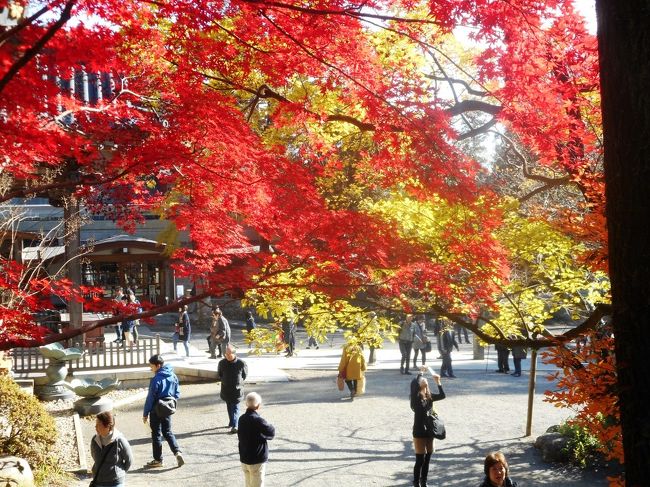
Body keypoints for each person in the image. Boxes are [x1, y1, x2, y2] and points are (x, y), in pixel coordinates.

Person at [142, 354, 184, 468]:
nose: (150, 368)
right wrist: (171, 403)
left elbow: (150, 398)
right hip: (167, 409)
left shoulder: (156, 379)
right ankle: (177, 452)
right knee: (168, 432)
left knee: (156, 434)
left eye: (152, 366)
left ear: (158, 365)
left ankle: (158, 460)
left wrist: (145, 413)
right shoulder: (173, 375)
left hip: (156, 410)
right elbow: (177, 393)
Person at [410, 367, 445, 487]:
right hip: (419, 432)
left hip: (430, 432)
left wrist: (438, 382)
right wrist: (421, 372)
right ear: (418, 385)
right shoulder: (415, 398)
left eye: (425, 380)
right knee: (420, 460)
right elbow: (414, 382)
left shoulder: (429, 396)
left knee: (428, 458)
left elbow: (442, 395)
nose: (424, 380)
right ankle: (416, 483)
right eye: (421, 380)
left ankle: (424, 481)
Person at [238, 392, 276, 487]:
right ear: (258, 406)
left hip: (244, 458)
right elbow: (271, 431)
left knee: (248, 484)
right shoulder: (258, 420)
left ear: (246, 404)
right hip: (256, 459)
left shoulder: (241, 419)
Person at [90, 411, 133, 487]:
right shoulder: (95, 440)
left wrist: (119, 473)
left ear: (108, 426)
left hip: (115, 482)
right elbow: (95, 457)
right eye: (95, 424)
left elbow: (129, 460)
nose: (95, 427)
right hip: (98, 481)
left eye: (98, 424)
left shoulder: (119, 441)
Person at [217, 344, 248, 433]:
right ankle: (231, 422)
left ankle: (235, 425)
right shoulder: (222, 363)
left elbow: (244, 375)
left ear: (234, 354)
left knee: (236, 408)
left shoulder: (241, 363)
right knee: (229, 407)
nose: (226, 356)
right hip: (226, 390)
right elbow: (220, 374)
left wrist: (238, 383)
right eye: (226, 354)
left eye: (229, 354)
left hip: (237, 391)